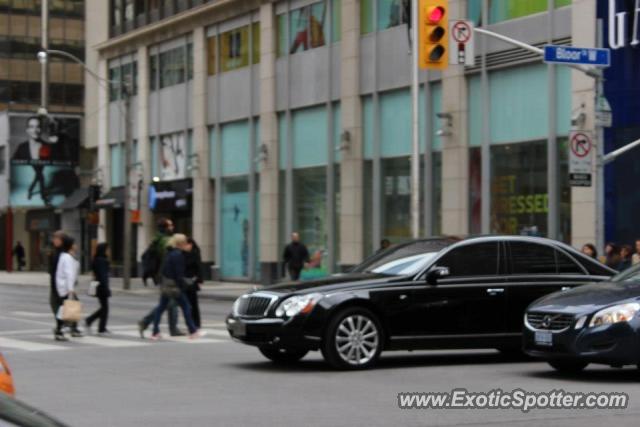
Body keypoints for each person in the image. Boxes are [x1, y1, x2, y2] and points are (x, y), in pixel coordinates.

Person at [149, 234, 204, 340]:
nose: (186, 245)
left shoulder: (169, 253)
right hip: (175, 286)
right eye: (184, 243)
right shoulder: (178, 255)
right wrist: (183, 285)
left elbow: (164, 270)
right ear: (180, 244)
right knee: (187, 307)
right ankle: (193, 331)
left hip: (166, 285)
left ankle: (155, 332)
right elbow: (179, 274)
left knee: (160, 308)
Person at [138, 218, 184, 337]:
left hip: (161, 275)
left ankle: (146, 323)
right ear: (165, 227)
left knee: (168, 303)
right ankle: (148, 323)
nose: (172, 227)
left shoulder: (157, 239)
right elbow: (168, 258)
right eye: (170, 225)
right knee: (171, 302)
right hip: (166, 276)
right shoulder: (165, 241)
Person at [55, 236, 82, 340]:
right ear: (70, 246)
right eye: (74, 244)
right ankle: (61, 331)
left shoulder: (66, 256)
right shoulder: (66, 257)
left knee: (68, 308)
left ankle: (69, 329)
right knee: (64, 309)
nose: (76, 246)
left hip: (64, 287)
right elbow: (69, 273)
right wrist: (71, 289)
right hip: (66, 288)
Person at [85, 243, 112, 335]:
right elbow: (103, 276)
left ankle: (90, 320)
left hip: (98, 286)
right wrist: (106, 288)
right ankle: (101, 328)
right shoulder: (102, 261)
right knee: (105, 308)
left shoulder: (97, 259)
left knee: (104, 308)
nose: (109, 251)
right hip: (102, 287)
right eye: (107, 249)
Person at [49, 231, 66, 341]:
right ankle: (61, 328)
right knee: (58, 307)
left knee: (60, 307)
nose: (55, 240)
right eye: (54, 238)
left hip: (60, 285)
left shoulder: (63, 254)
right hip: (55, 284)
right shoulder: (55, 252)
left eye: (57, 239)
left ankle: (60, 329)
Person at [184, 237, 203, 329]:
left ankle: (196, 323)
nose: (185, 247)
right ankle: (191, 323)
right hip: (184, 282)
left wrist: (199, 280)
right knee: (187, 304)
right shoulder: (183, 253)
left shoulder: (194, 253)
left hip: (192, 282)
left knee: (193, 304)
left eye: (186, 244)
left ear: (190, 244)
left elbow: (198, 267)